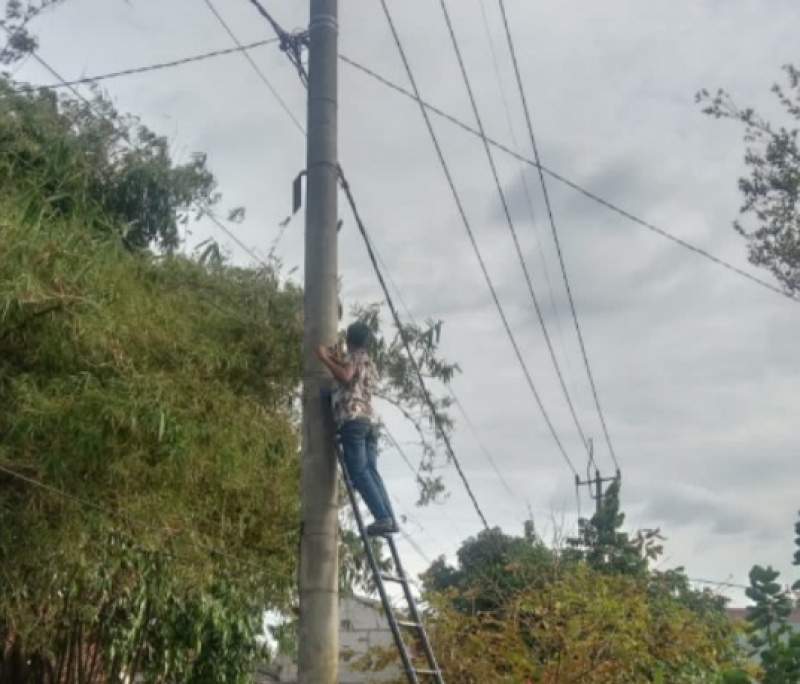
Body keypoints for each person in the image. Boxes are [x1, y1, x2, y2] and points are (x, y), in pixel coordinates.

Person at [316, 321, 397, 536]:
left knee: (359, 473)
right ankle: (389, 517)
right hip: (369, 423)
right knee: (371, 472)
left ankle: (383, 518)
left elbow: (345, 376)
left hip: (353, 420)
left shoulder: (354, 358)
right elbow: (349, 370)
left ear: (350, 340)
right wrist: (333, 358)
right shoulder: (368, 361)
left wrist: (323, 357)